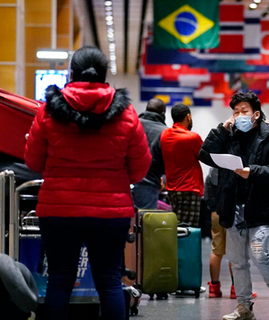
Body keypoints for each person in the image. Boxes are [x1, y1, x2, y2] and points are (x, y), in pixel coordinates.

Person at [24, 46, 151, 320]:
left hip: (58, 209)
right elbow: (141, 168)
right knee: (109, 281)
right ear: (104, 74)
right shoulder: (126, 113)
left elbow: (32, 162)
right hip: (111, 212)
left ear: (72, 72)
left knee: (59, 279)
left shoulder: (48, 111)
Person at [200, 90, 269, 320]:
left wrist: (253, 172)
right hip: (233, 208)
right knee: (237, 261)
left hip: (259, 209)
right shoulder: (230, 138)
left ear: (256, 114)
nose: (239, 115)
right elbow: (204, 154)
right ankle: (244, 307)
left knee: (259, 254)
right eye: (235, 111)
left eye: (244, 111)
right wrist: (221, 130)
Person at [205, 167, 257, 300]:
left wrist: (213, 207)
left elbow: (208, 188)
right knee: (234, 250)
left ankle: (214, 288)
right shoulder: (236, 166)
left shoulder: (214, 168)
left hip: (216, 211)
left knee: (216, 250)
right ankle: (236, 288)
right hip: (232, 211)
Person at [161, 104, 204, 227]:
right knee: (189, 229)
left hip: (172, 189)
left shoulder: (164, 134)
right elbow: (204, 155)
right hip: (189, 189)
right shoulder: (191, 137)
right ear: (188, 117)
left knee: (176, 227)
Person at [133, 98, 167, 209]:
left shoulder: (132, 125)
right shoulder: (164, 132)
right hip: (149, 185)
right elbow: (166, 163)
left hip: (125, 183)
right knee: (145, 223)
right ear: (163, 114)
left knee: (125, 223)